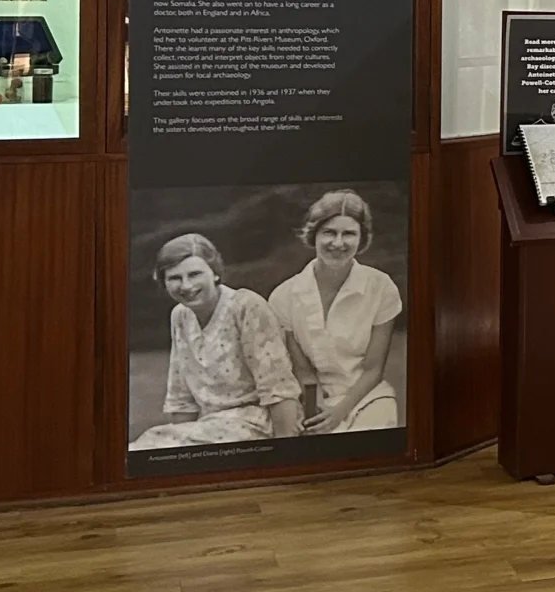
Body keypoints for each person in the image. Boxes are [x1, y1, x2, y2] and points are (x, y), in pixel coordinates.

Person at [130, 233, 302, 449]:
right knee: (152, 445)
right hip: (210, 427)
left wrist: (285, 450)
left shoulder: (245, 306)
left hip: (255, 424)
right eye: (174, 278)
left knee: (146, 447)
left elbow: (278, 387)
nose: (186, 285)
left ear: (215, 274)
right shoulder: (180, 316)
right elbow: (181, 395)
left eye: (195, 274)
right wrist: (178, 445)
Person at [269, 190, 404, 434]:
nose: (338, 243)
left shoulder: (381, 288)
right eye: (329, 232)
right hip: (311, 399)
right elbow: (303, 371)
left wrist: (339, 412)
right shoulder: (283, 296)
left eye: (349, 233)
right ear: (314, 234)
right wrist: (316, 411)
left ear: (361, 238)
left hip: (366, 396)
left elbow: (373, 370)